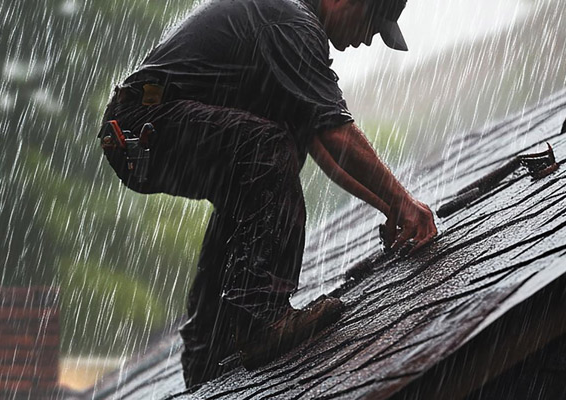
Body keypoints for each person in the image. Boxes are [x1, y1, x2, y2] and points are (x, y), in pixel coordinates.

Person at [98, 0, 437, 389]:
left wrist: (391, 208)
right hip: (143, 127)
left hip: (139, 132)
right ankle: (261, 318)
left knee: (260, 171)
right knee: (267, 148)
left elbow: (324, 150)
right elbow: (336, 132)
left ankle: (209, 351)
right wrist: (404, 203)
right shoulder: (291, 21)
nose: (369, 40)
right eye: (372, 25)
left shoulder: (288, 27)